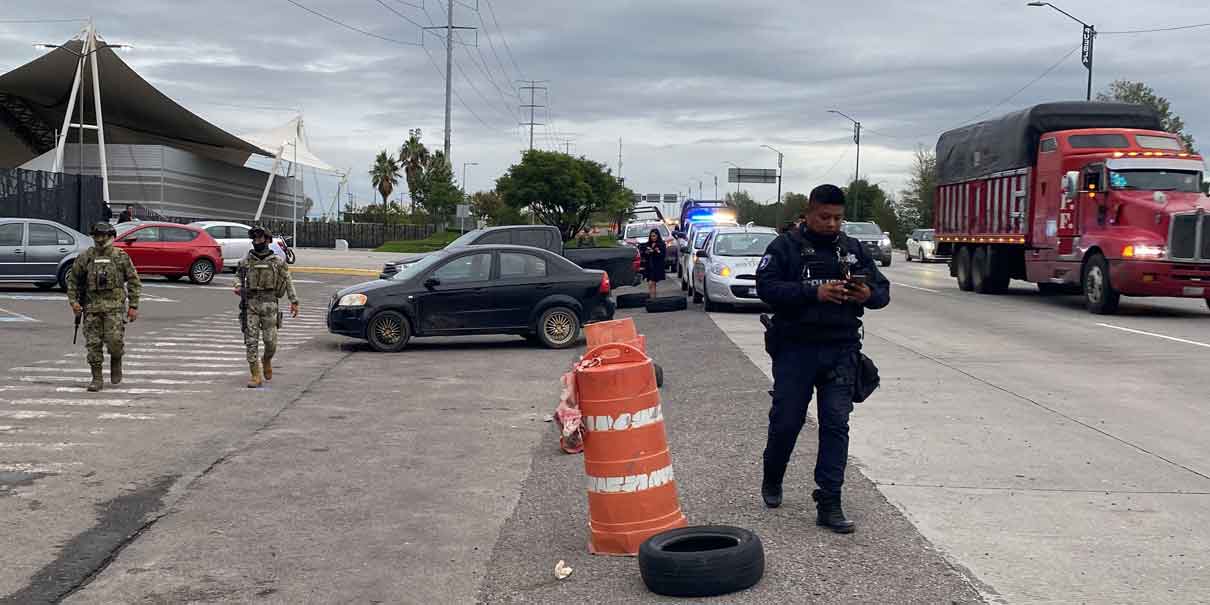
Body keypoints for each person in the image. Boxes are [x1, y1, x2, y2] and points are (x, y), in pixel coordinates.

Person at [754, 184, 890, 533]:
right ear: (808, 213)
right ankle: (773, 476)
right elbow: (767, 289)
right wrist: (813, 292)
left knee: (835, 425)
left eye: (837, 218)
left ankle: (829, 501)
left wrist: (867, 293)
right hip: (796, 349)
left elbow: (883, 293)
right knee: (787, 421)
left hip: (841, 349)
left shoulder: (853, 249)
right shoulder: (785, 247)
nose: (831, 224)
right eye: (824, 217)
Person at [66, 222, 141, 392]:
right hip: (92, 308)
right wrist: (74, 302)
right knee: (93, 344)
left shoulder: (120, 256)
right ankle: (96, 378)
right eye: (96, 236)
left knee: (114, 341)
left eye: (103, 236)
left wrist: (134, 305)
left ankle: (116, 359)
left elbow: (134, 281)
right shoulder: (86, 257)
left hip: (114, 308)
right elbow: (73, 281)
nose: (99, 240)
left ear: (110, 237)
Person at [234, 226, 299, 388]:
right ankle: (255, 375)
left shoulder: (277, 261)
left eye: (260, 239)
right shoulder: (246, 261)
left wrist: (294, 301)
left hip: (270, 305)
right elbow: (237, 276)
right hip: (251, 304)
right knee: (251, 341)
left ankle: (267, 359)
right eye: (254, 239)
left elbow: (288, 280)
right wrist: (237, 286)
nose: (257, 242)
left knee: (271, 342)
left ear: (268, 241)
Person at [639, 228, 667, 299]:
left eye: (654, 236)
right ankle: (652, 299)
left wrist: (656, 251)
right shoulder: (647, 244)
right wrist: (647, 252)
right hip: (649, 266)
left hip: (656, 266)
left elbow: (663, 255)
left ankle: (653, 300)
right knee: (651, 284)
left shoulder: (661, 244)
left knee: (652, 283)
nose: (653, 237)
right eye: (651, 236)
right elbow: (643, 254)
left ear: (657, 236)